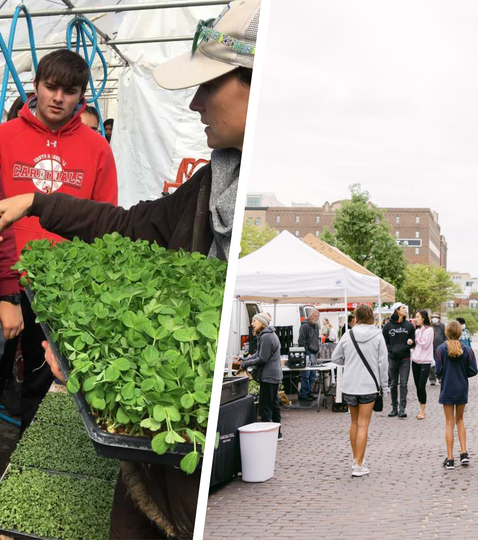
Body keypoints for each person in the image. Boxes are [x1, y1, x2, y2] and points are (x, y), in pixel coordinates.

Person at [0, 2, 260, 536]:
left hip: (184, 462)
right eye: (49, 86)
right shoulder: (212, 182)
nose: (195, 103)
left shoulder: (99, 148)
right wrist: (38, 203)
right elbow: (129, 224)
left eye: (208, 85)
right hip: (153, 464)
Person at [0, 49, 118, 436]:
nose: (57, 98)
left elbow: (104, 221)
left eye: (69, 91)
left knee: (42, 377)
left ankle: (25, 454)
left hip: (60, 286)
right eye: (51, 87)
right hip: (4, 274)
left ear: (81, 96)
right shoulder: (4, 137)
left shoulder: (98, 148)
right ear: (35, 86)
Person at [330, 304, 388, 477]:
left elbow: (335, 358)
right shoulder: (378, 335)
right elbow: (383, 364)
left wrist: (350, 362)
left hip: (350, 385)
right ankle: (358, 465)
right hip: (369, 385)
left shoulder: (348, 334)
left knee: (354, 423)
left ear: (356, 316)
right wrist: (384, 387)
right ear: (371, 316)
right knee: (363, 424)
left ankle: (356, 459)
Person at [435, 320, 478, 470]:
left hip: (447, 387)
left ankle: (450, 459)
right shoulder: (467, 349)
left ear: (446, 332)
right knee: (460, 420)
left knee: (449, 422)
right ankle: (464, 453)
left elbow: (438, 370)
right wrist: (462, 373)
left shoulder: (441, 349)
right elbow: (473, 370)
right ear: (460, 333)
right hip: (461, 387)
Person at [241, 313, 282, 438]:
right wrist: (245, 359)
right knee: (273, 404)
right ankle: (277, 433)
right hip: (273, 374)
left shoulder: (266, 336)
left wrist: (245, 364)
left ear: (262, 323)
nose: (252, 324)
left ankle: (267, 435)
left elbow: (262, 358)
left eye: (254, 321)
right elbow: (259, 353)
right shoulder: (269, 334)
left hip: (268, 375)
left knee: (265, 406)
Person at [382, 302, 415, 418]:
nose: (405, 310)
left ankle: (402, 409)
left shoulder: (409, 325)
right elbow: (384, 342)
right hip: (393, 358)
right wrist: (391, 350)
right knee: (393, 384)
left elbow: (413, 342)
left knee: (404, 384)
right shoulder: (387, 326)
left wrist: (407, 345)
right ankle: (394, 408)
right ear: (397, 310)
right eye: (403, 308)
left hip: (405, 358)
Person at [411, 309, 435, 420]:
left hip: (425, 362)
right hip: (415, 360)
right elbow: (415, 345)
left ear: (423, 318)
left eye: (418, 317)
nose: (416, 319)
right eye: (415, 317)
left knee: (422, 385)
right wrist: (413, 342)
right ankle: (420, 407)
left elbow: (425, 345)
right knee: (417, 386)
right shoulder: (416, 331)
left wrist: (417, 340)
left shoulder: (429, 330)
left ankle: (422, 411)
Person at [297, 308, 321, 402]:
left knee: (312, 375)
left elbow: (316, 339)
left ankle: (308, 392)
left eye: (318, 316)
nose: (317, 318)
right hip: (308, 353)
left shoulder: (315, 326)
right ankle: (304, 393)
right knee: (306, 374)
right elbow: (301, 341)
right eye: (315, 316)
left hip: (314, 352)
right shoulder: (305, 326)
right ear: (310, 316)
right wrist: (306, 352)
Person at [429, 313, 443, 385]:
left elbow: (445, 336)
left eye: (436, 317)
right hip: (430, 349)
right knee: (431, 365)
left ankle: (440, 377)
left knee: (440, 363)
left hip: (440, 348)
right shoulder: (429, 326)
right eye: (433, 317)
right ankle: (432, 379)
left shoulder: (442, 326)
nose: (434, 318)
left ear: (439, 318)